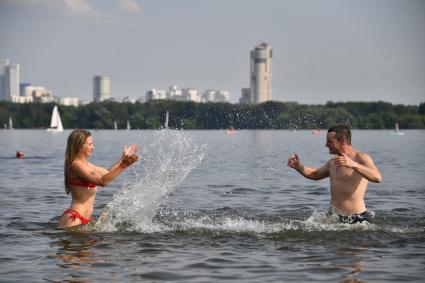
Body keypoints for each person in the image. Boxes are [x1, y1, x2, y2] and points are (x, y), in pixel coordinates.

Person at [287, 125, 382, 224]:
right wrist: (298, 166)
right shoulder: (333, 161)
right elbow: (315, 174)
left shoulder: (361, 158)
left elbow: (377, 177)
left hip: (357, 220)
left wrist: (353, 164)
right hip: (334, 218)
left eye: (330, 141)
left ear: (343, 141)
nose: (326, 145)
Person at [59, 129, 140, 228]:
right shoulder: (76, 166)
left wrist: (123, 158)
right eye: (90, 144)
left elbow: (107, 173)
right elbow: (102, 181)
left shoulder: (86, 165)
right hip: (74, 219)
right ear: (80, 145)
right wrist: (123, 165)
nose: (93, 147)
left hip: (85, 220)